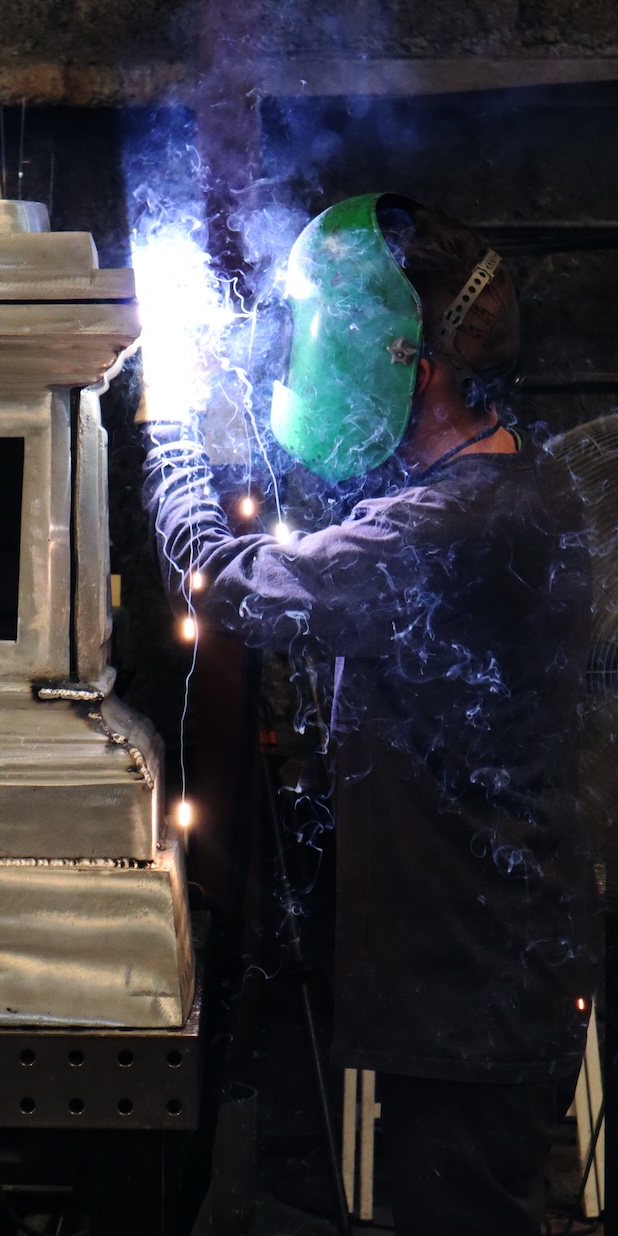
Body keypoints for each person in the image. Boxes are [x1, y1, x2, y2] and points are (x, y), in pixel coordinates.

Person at [138, 193, 601, 1236]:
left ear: (411, 364)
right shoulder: (498, 481)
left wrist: (169, 433)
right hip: (477, 963)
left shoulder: (457, 525)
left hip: (474, 978)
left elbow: (233, 588)